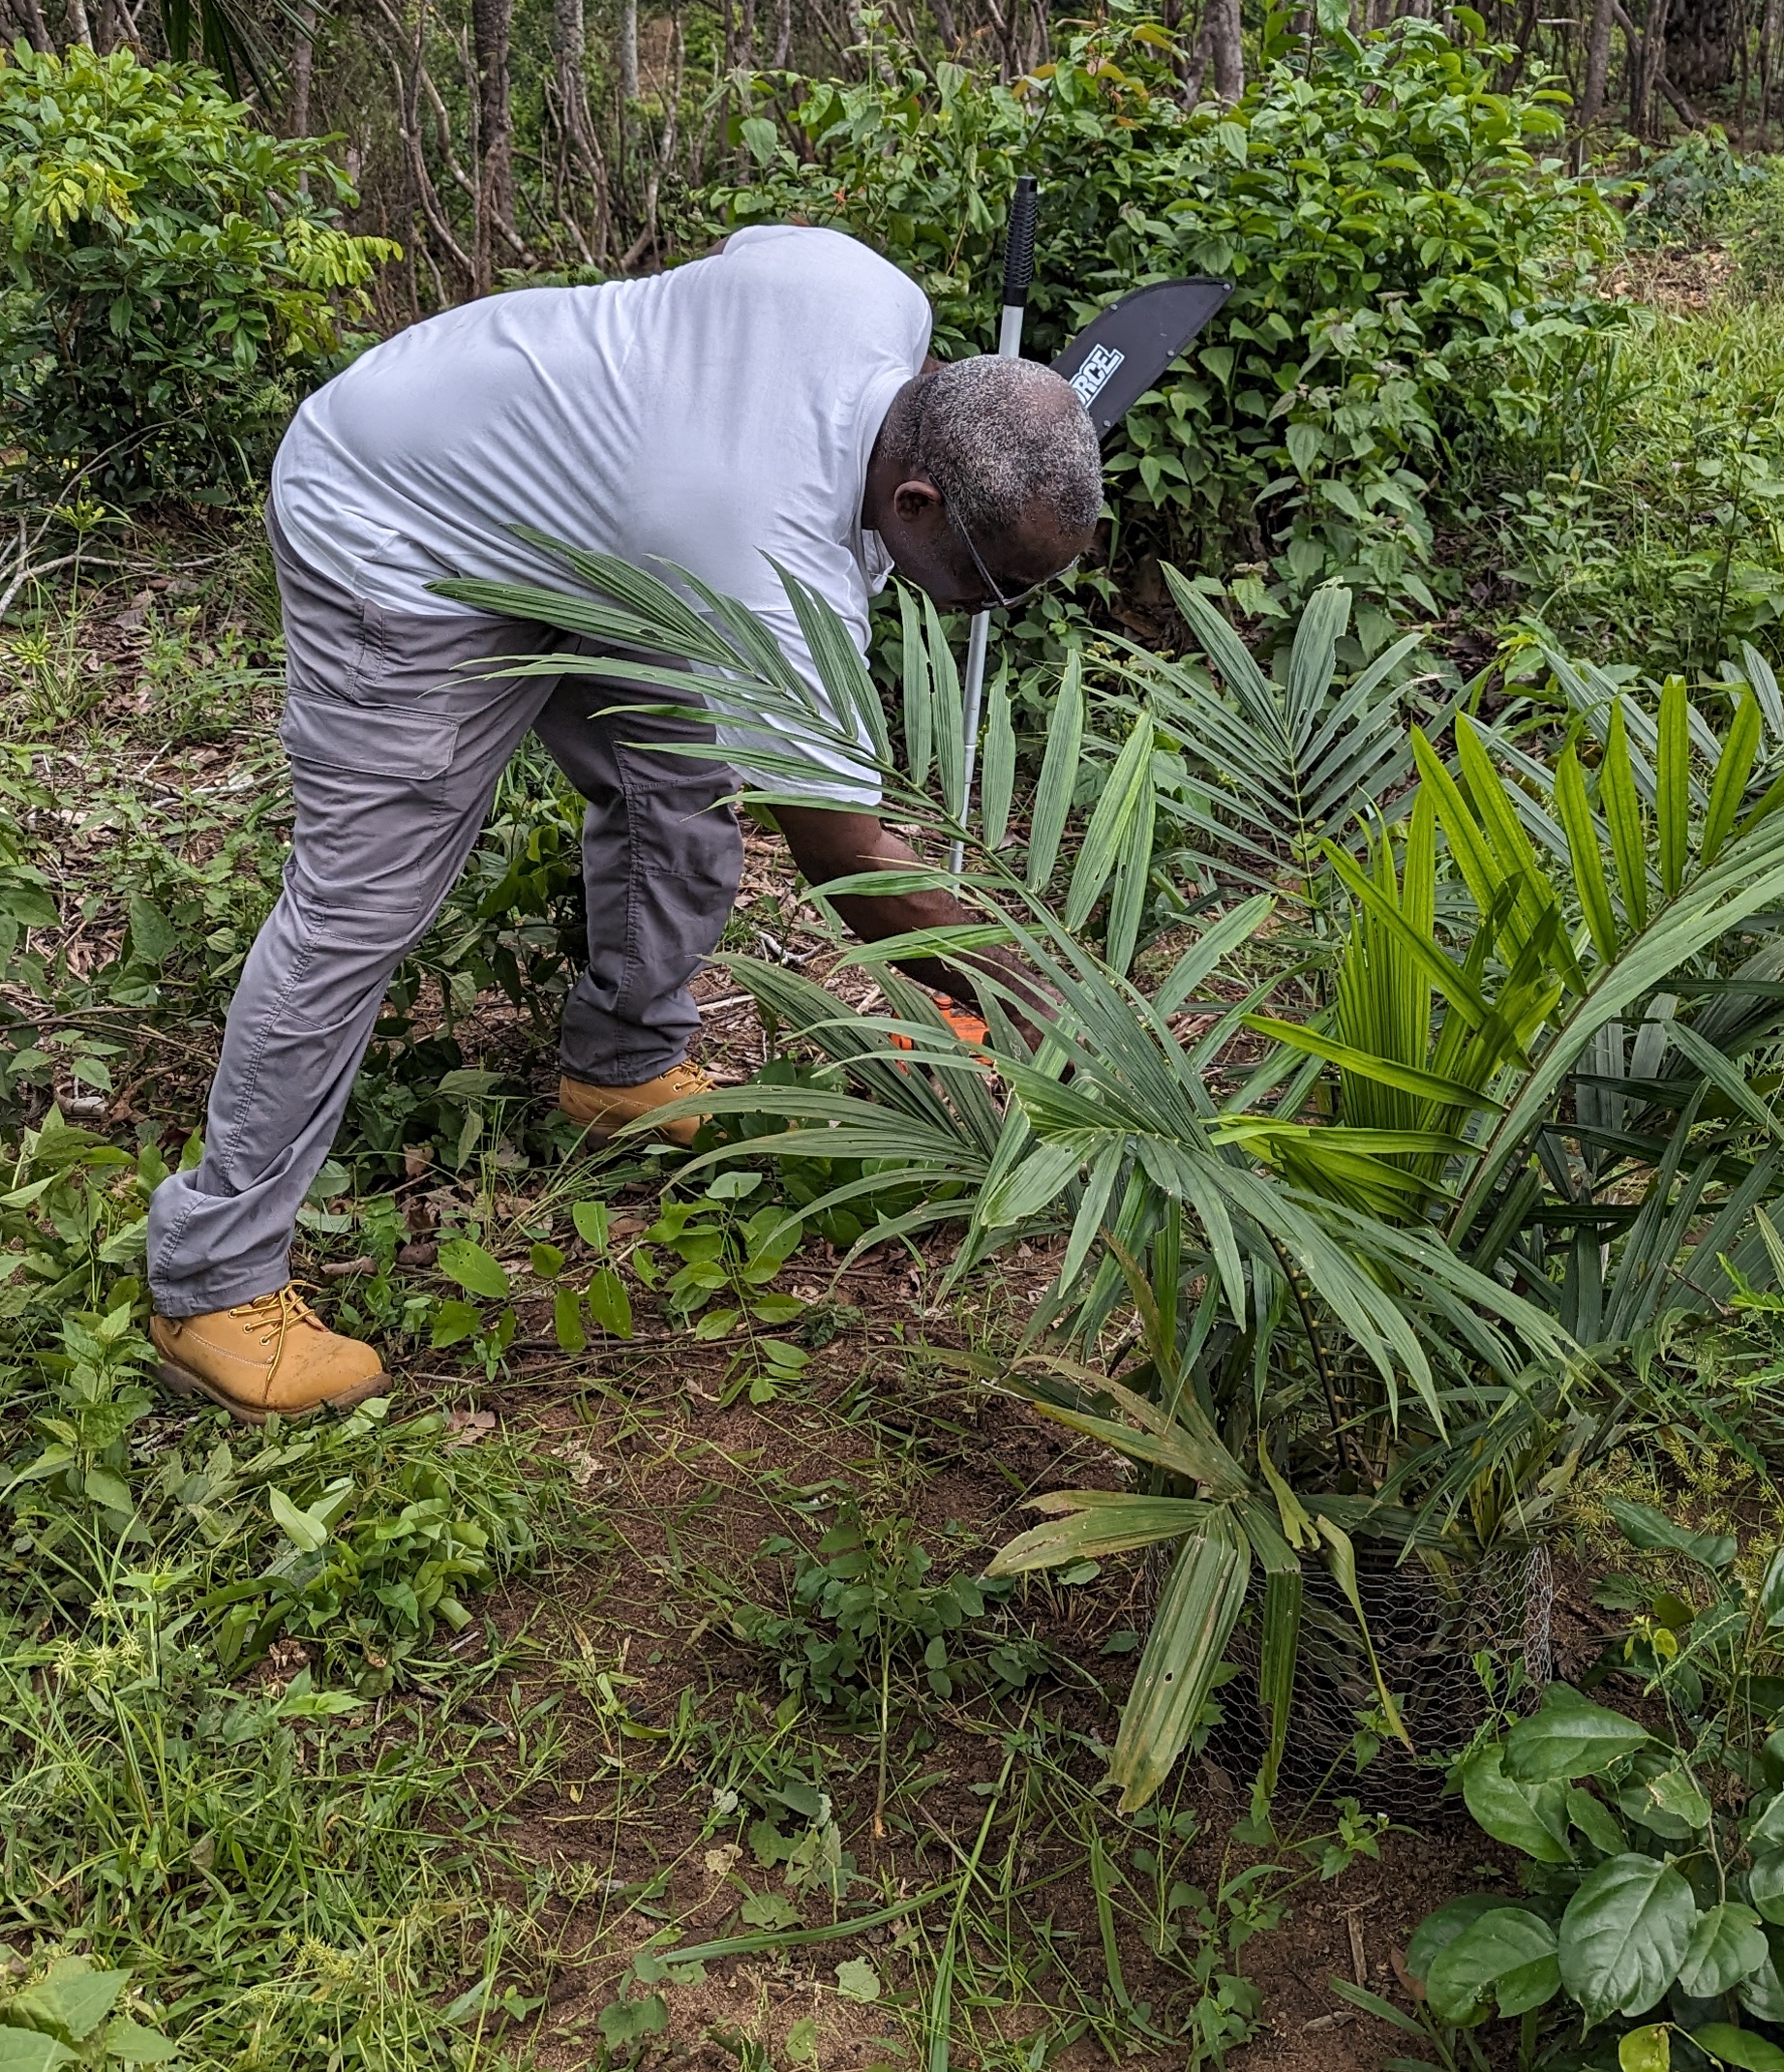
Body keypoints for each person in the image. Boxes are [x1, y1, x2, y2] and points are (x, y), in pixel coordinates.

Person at [144, 222, 1104, 1422]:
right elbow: (843, 854)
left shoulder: (873, 296)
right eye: (990, 581)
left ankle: (620, 1062)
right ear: (911, 495)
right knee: (361, 904)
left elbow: (732, 270)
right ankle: (211, 1283)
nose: (988, 612)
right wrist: (1024, 995)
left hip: (612, 534)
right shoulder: (765, 553)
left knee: (678, 775)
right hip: (396, 520)